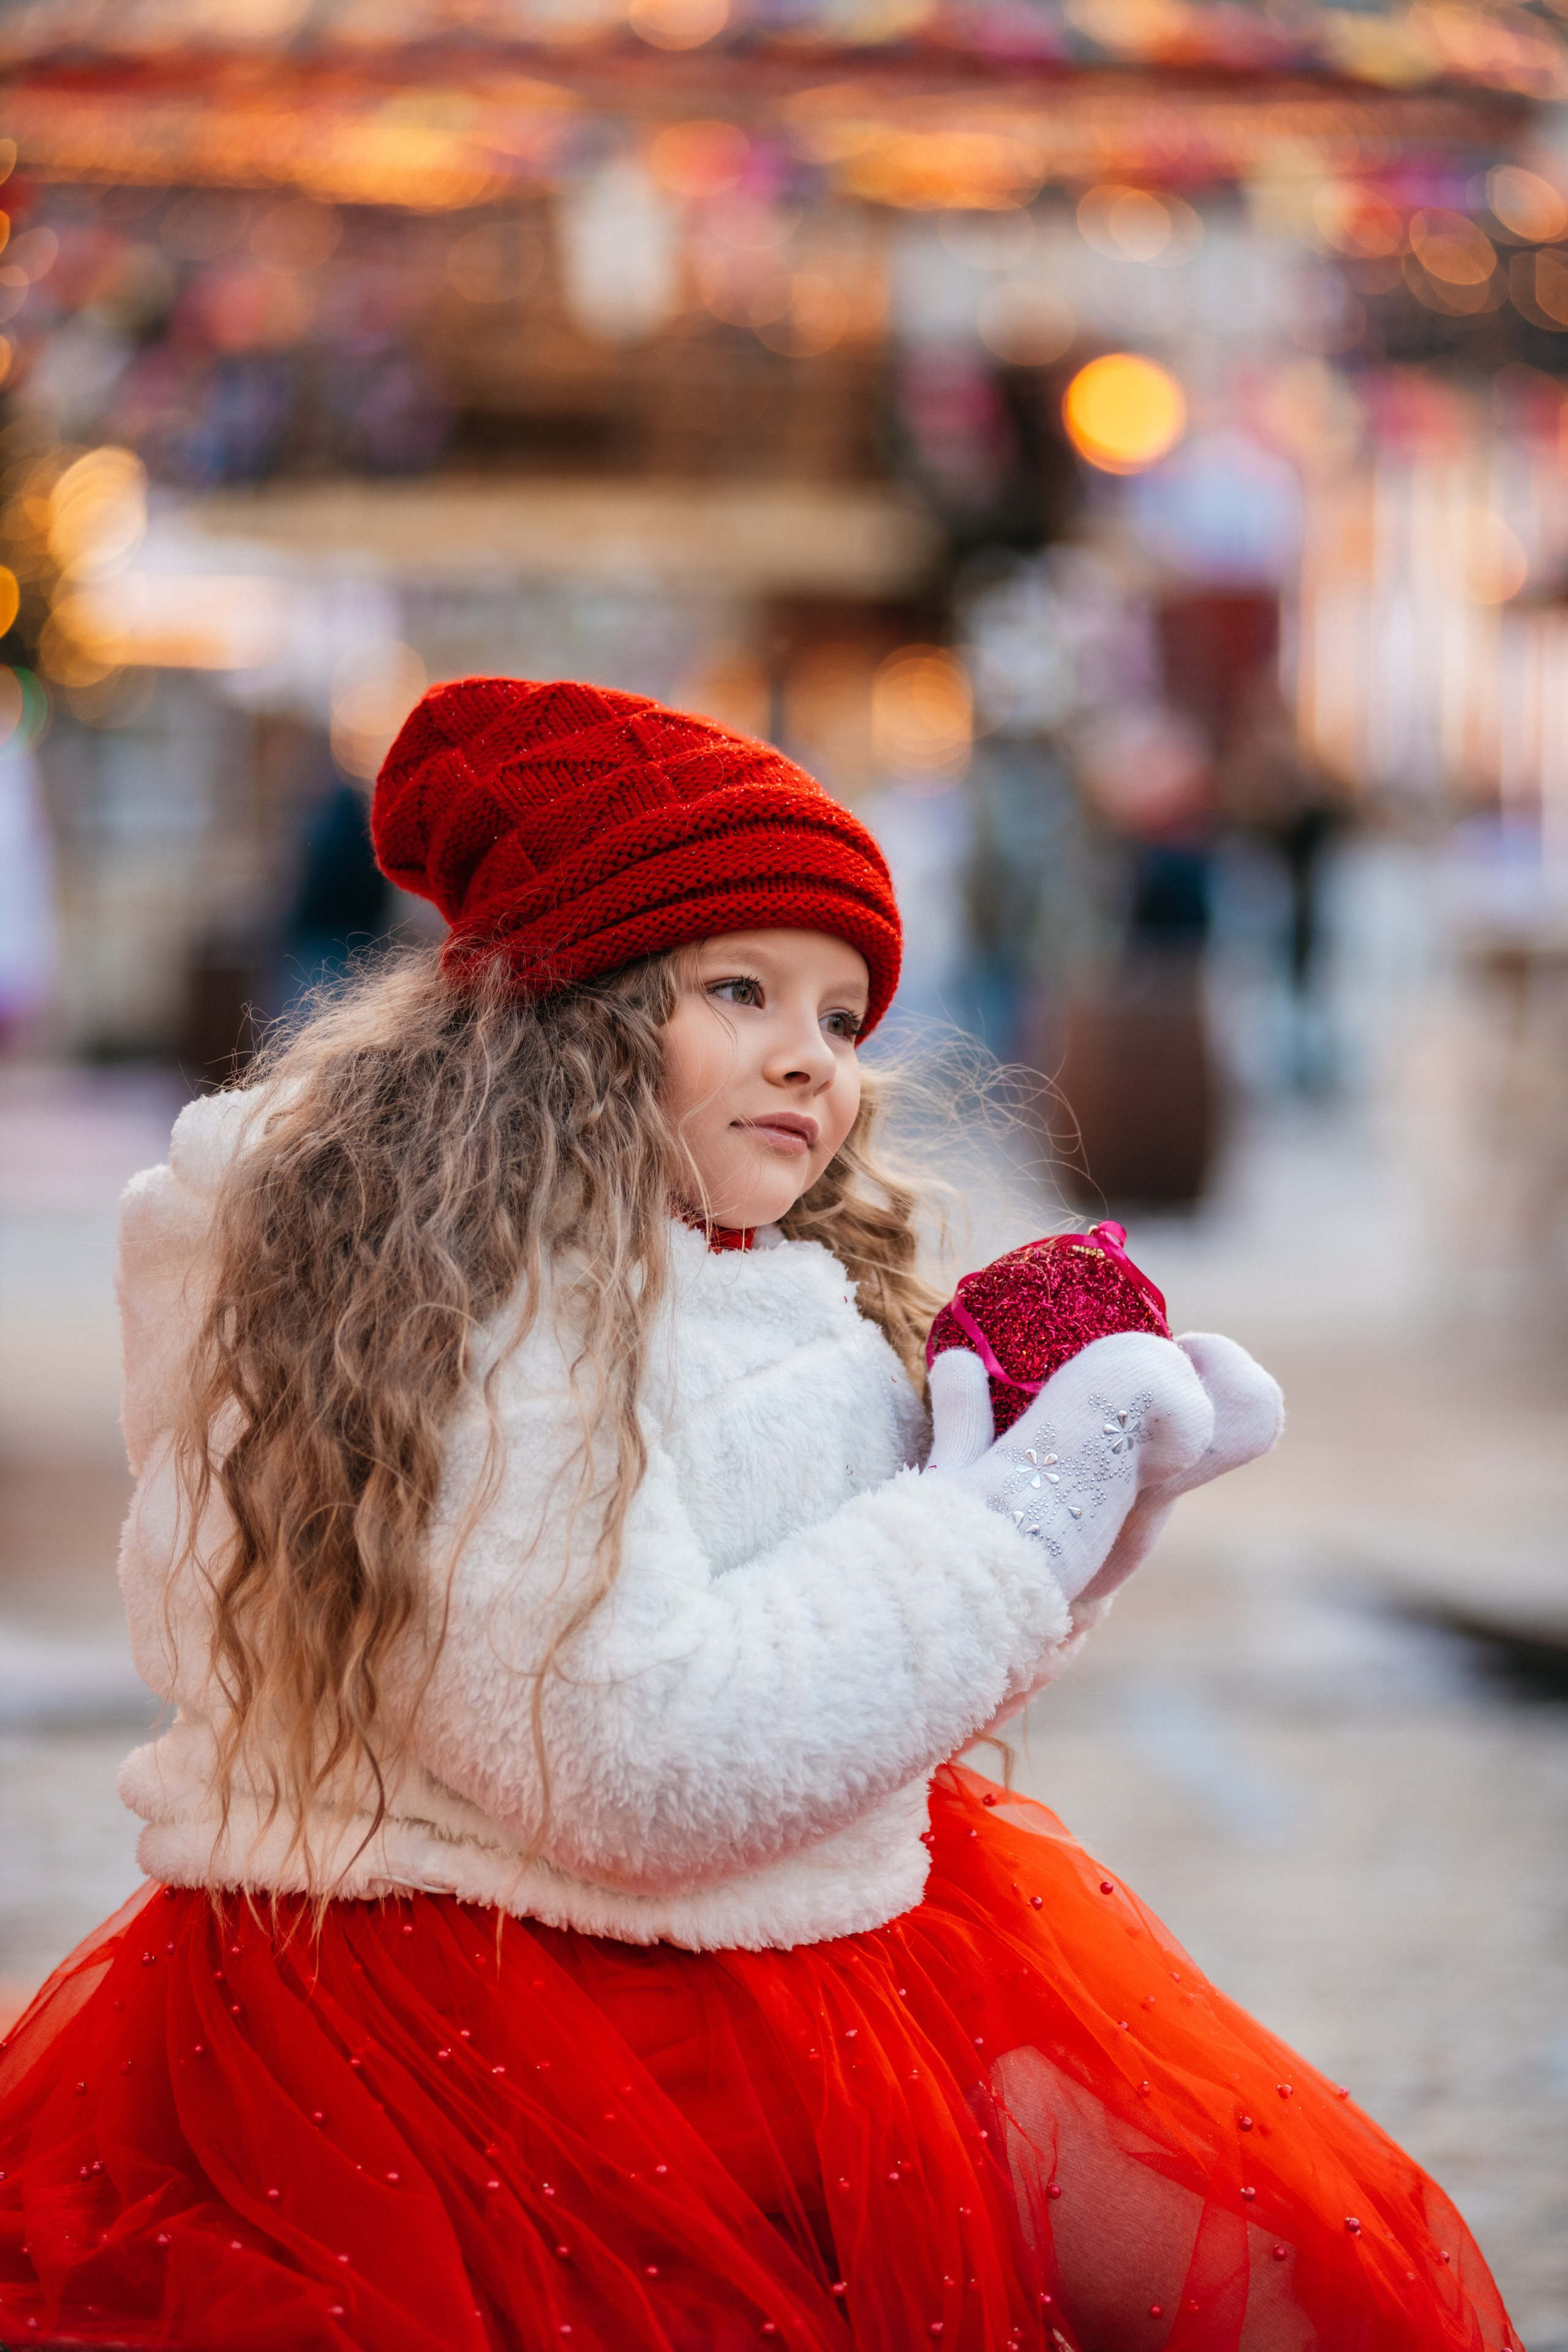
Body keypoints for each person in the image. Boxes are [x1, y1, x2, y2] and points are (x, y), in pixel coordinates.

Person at [0, 680, 1518, 2352]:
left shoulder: (756, 1283)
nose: (815, 1054)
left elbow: (855, 1679)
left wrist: (1083, 1508)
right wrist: (1011, 1524)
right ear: (567, 1011)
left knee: (1287, 2263)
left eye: (847, 1016)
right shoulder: (461, 1307)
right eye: (742, 989)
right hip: (483, 2052)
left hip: (770, 1963)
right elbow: (633, 1754)